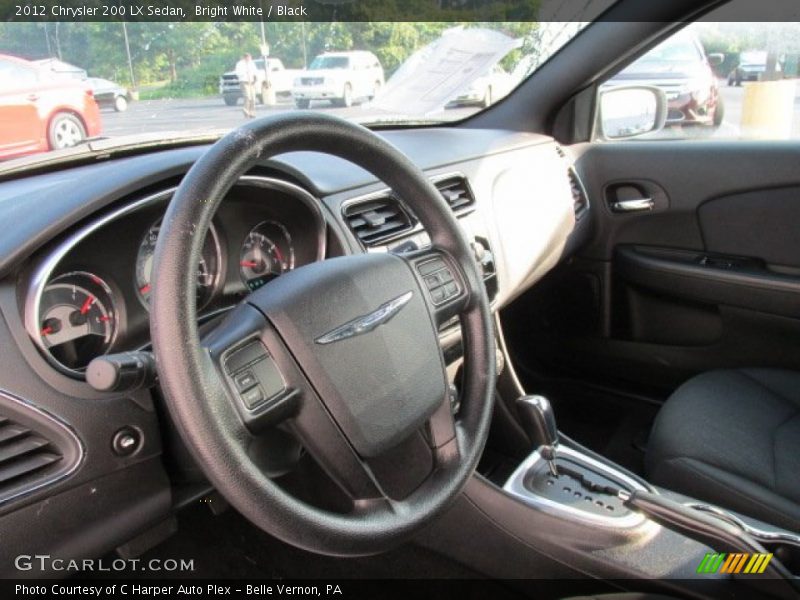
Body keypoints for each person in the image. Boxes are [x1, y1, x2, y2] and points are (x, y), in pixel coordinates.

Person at [235, 53, 258, 118]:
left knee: (253, 97)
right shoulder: (240, 64)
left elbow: (255, 71)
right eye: (247, 58)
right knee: (247, 96)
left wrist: (255, 78)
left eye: (249, 58)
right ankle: (246, 110)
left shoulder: (252, 63)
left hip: (252, 82)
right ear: (244, 58)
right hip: (244, 81)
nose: (248, 59)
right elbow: (238, 73)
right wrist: (245, 72)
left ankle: (252, 112)